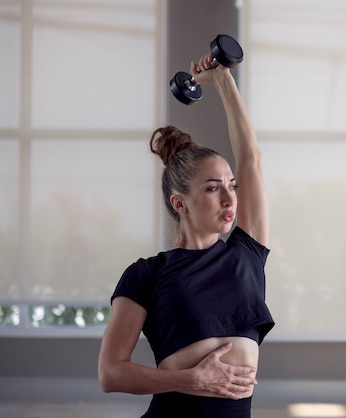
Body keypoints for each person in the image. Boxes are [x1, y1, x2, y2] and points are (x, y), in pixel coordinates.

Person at [98, 52, 274, 418]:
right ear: (180, 203)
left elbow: (251, 158)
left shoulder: (247, 251)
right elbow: (111, 373)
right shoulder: (146, 274)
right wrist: (191, 381)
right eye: (213, 188)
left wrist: (223, 80)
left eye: (232, 185)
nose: (229, 198)